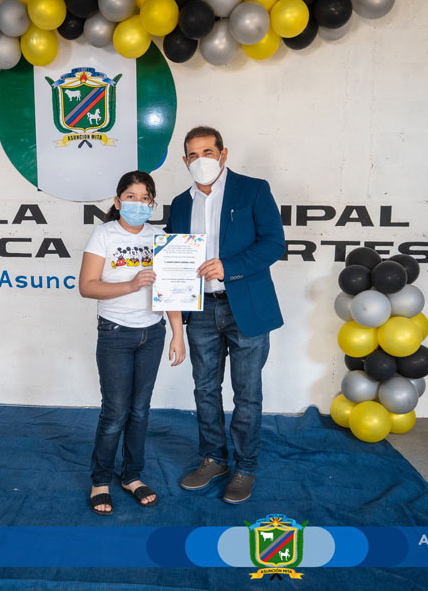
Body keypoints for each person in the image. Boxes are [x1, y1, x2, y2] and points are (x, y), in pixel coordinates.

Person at [165, 126, 285, 504]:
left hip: (244, 305)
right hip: (200, 309)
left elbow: (274, 244)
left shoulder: (253, 190)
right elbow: (172, 260)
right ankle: (214, 459)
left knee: (246, 393)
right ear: (185, 161)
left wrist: (228, 267)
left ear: (223, 154)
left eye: (207, 152)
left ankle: (245, 467)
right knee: (204, 389)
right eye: (193, 154)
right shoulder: (179, 204)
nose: (200, 160)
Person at [79, 170, 186, 516]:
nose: (138, 204)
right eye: (130, 197)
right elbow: (87, 286)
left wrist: (178, 333)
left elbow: (171, 290)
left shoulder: (161, 237)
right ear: (117, 201)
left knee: (140, 410)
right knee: (115, 412)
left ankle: (132, 476)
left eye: (145, 199)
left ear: (152, 204)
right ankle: (100, 480)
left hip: (152, 333)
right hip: (116, 332)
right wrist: (131, 284)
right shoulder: (104, 234)